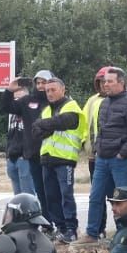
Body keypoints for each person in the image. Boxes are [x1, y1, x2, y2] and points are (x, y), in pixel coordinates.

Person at [84, 67, 127, 240]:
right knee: (95, 196)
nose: (106, 84)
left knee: (125, 200)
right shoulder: (104, 103)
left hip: (120, 160)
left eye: (110, 81)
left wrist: (123, 153)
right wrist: (98, 149)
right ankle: (91, 234)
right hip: (102, 159)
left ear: (121, 83)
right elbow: (101, 130)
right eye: (105, 81)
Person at [33, 77, 84, 241]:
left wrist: (44, 124)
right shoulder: (47, 109)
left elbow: (64, 121)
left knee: (66, 195)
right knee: (51, 196)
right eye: (47, 91)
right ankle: (60, 228)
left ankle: (71, 229)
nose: (49, 93)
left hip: (65, 159)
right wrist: (47, 125)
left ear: (63, 90)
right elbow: (35, 130)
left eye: (53, 90)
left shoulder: (71, 106)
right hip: (47, 159)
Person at [0, 74, 48, 194]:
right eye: (38, 83)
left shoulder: (50, 104)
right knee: (18, 197)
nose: (40, 86)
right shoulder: (26, 102)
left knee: (30, 195)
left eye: (44, 82)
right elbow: (5, 107)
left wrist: (27, 154)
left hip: (29, 157)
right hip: (13, 156)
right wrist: (9, 90)